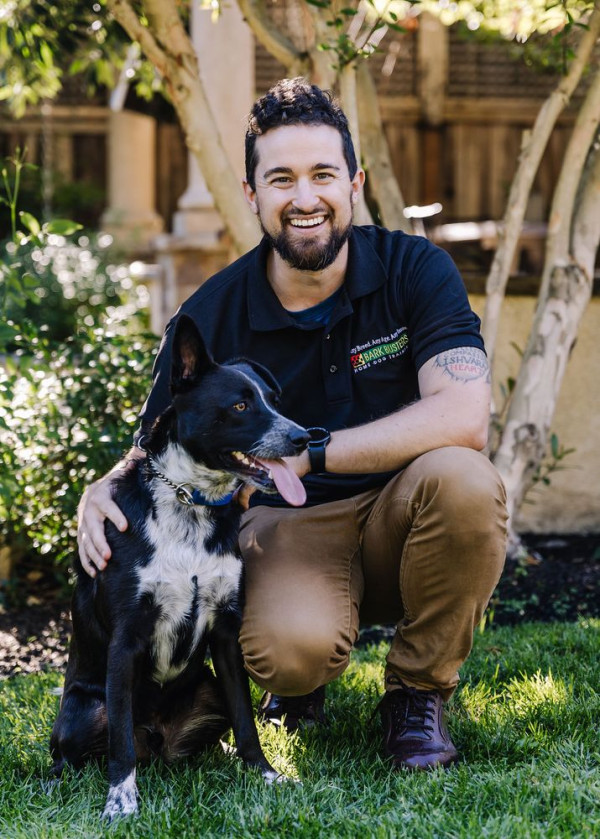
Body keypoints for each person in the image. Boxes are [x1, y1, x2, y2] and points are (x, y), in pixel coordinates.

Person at [78, 78, 508, 771]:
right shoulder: (213, 312)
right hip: (289, 527)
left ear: (354, 183)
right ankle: (300, 686)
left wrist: (313, 452)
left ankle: (416, 693)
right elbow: (150, 447)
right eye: (281, 179)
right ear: (252, 195)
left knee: (466, 480)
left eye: (322, 175)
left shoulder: (415, 268)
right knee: (288, 651)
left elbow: (464, 414)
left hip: (409, 508)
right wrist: (96, 489)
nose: (304, 198)